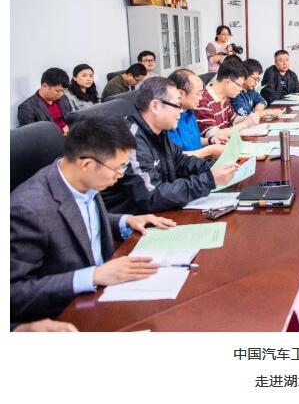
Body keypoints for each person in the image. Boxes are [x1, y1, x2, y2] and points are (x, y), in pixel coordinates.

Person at [10, 117, 175, 325]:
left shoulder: (80, 179)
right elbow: (14, 292)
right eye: (119, 168)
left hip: (108, 291)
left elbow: (78, 219)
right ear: (87, 164)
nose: (121, 175)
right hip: (68, 315)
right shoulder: (28, 210)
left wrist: (127, 221)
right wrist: (93, 276)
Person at [101, 77, 239, 214]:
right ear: (155, 106)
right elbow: (151, 196)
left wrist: (217, 166)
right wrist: (209, 180)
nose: (180, 111)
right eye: (177, 105)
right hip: (135, 219)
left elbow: (180, 162)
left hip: (161, 211)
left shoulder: (159, 130)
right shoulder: (130, 140)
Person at [167, 69, 227, 159]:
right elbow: (176, 157)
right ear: (181, 93)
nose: (201, 98)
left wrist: (211, 140)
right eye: (198, 93)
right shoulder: (169, 120)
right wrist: (209, 151)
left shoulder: (189, 112)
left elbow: (194, 141)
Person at [196, 60, 261, 139]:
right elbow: (213, 135)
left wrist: (247, 118)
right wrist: (245, 124)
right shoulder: (203, 100)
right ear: (227, 82)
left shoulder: (225, 97)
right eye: (239, 85)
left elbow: (233, 119)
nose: (241, 89)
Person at [17, 67, 72, 133]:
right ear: (44, 85)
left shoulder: (63, 98)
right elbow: (30, 134)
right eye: (57, 91)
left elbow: (71, 118)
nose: (61, 94)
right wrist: (61, 132)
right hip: (51, 138)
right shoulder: (27, 107)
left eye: (63, 91)